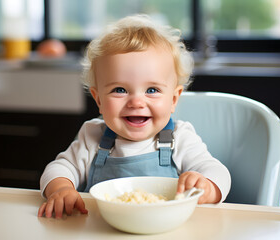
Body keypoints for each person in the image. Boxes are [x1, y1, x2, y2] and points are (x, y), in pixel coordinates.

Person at [38, 15, 231, 218]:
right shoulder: (92, 136)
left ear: (174, 99)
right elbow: (58, 168)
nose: (136, 102)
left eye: (152, 90)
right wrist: (61, 189)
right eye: (120, 90)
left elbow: (218, 171)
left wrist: (207, 185)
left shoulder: (180, 138)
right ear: (99, 100)